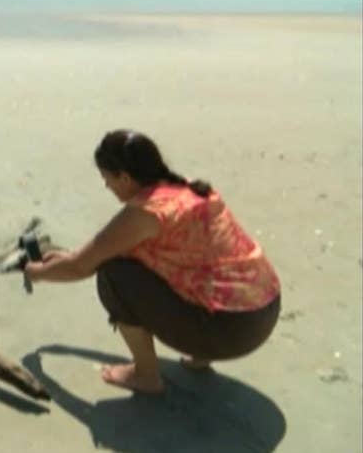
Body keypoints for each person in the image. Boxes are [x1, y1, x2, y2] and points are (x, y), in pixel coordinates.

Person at [25, 129, 281, 394]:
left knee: (114, 274)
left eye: (107, 179)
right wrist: (68, 257)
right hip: (265, 309)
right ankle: (200, 355)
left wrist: (38, 272)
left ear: (124, 177)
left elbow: (82, 266)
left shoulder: (147, 212)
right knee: (172, 263)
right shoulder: (188, 188)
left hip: (232, 331)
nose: (106, 186)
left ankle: (146, 375)